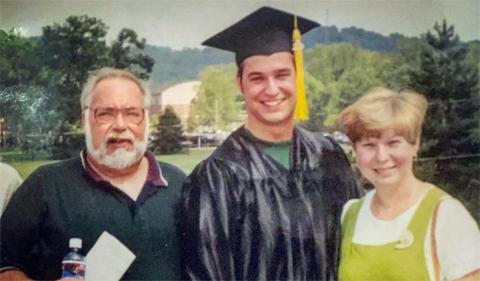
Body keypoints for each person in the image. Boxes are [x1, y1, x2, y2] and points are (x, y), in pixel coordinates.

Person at [181, 6, 361, 281]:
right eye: (257, 78)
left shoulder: (329, 156)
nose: (272, 89)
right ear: (240, 84)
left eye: (281, 75)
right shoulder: (218, 176)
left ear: (297, 76)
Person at [0, 68, 186, 280]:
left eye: (132, 113)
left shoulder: (179, 184)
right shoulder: (45, 185)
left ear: (146, 119)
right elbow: (5, 265)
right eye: (105, 113)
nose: (120, 125)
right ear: (85, 120)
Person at [338, 87, 480, 281]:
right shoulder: (350, 215)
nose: (381, 157)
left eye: (393, 143)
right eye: (369, 145)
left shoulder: (446, 215)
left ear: (415, 144)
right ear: (355, 150)